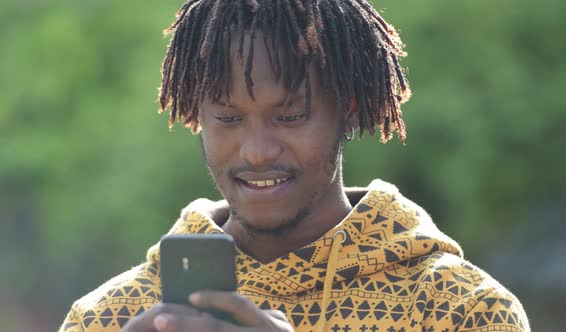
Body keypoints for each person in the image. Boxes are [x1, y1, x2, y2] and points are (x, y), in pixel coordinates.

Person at [59, 0, 530, 331]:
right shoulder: (110, 318)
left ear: (347, 107)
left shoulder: (461, 311)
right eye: (228, 118)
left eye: (289, 117)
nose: (257, 151)